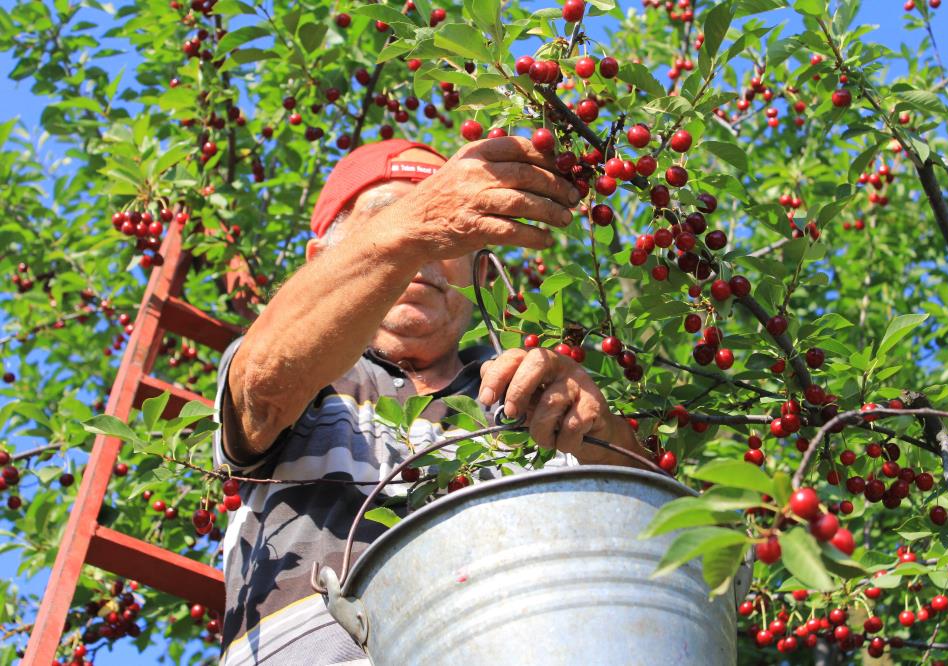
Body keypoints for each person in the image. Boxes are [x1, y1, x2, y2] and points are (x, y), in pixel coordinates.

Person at [212, 137, 653, 665]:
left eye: (448, 241)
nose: (423, 255)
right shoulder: (306, 377)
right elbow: (263, 383)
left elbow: (684, 569)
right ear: (322, 260)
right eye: (386, 219)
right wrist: (414, 227)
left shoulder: (525, 402)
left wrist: (607, 446)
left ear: (483, 277)